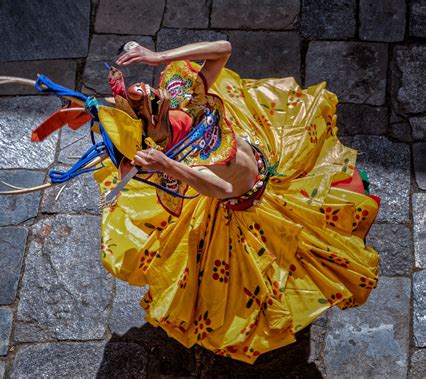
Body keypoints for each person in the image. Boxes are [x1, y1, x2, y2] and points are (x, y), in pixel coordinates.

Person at [97, 41, 382, 363]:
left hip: (259, 177)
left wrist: (158, 57)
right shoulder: (194, 126)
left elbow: (223, 48)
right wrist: (169, 165)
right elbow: (223, 190)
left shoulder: (190, 107)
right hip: (250, 185)